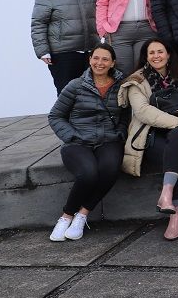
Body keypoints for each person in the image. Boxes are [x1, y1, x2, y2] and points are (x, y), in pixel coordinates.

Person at [118, 38, 178, 240]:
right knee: (176, 153)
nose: (156, 56)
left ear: (168, 55)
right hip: (150, 134)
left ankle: (167, 197)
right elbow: (143, 112)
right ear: (146, 57)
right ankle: (176, 215)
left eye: (160, 52)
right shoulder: (136, 81)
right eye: (151, 53)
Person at [46, 44, 126, 242]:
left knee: (110, 169)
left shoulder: (121, 85)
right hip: (78, 141)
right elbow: (55, 116)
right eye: (96, 58)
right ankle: (66, 216)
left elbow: (127, 114)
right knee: (88, 174)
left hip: (109, 139)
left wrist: (120, 133)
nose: (100, 63)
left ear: (112, 63)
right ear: (90, 60)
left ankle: (82, 214)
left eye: (105, 59)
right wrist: (72, 136)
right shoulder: (76, 85)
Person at [32, 0, 100, 94]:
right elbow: (39, 23)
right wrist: (42, 51)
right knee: (67, 95)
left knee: (91, 94)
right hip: (62, 54)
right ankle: (64, 118)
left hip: (90, 52)